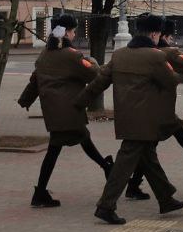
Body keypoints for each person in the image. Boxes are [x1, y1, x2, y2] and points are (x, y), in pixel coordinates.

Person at [80, 13, 183, 224]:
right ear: (155, 33)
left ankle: (166, 198)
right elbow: (171, 81)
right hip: (145, 119)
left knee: (148, 159)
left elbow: (99, 81)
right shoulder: (156, 57)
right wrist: (176, 71)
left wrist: (78, 102)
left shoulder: (119, 55)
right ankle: (105, 205)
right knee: (123, 165)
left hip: (127, 118)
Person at [17, 14, 114, 207]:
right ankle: (108, 169)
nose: (75, 32)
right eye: (73, 30)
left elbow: (35, 79)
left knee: (71, 143)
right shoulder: (71, 55)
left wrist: (25, 99)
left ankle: (41, 193)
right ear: (68, 32)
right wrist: (92, 60)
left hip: (53, 111)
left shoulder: (45, 54)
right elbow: (93, 72)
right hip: (69, 109)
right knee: (72, 143)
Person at [124, 17, 183, 201]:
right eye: (167, 36)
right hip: (157, 110)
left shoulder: (141, 51)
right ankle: (137, 189)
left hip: (154, 109)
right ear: (161, 35)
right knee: (146, 150)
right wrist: (174, 52)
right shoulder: (163, 53)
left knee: (154, 146)